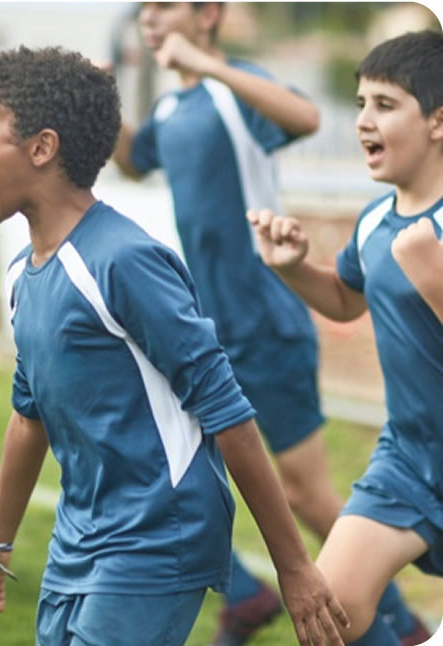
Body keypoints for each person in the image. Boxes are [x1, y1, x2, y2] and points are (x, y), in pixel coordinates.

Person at [0, 44, 349, 646]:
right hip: (81, 540)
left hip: (159, 535)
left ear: (42, 148)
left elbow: (229, 417)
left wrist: (295, 567)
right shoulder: (24, 274)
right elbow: (29, 420)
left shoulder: (125, 261)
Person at [110, 3, 430, 645]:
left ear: (208, 15)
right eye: (143, 8)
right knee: (160, 470)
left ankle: (400, 620)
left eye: (166, 5)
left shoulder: (234, 91)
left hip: (262, 326)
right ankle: (255, 595)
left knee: (307, 496)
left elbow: (307, 117)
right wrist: (100, 99)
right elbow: (133, 162)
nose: (149, 17)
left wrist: (208, 65)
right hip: (206, 331)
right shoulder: (174, 111)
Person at [247, 28, 443, 646]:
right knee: (327, 614)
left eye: (385, 105)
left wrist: (435, 283)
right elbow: (346, 299)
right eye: (359, 104)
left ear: (438, 121)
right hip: (409, 461)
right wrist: (291, 268)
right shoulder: (378, 220)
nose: (363, 121)